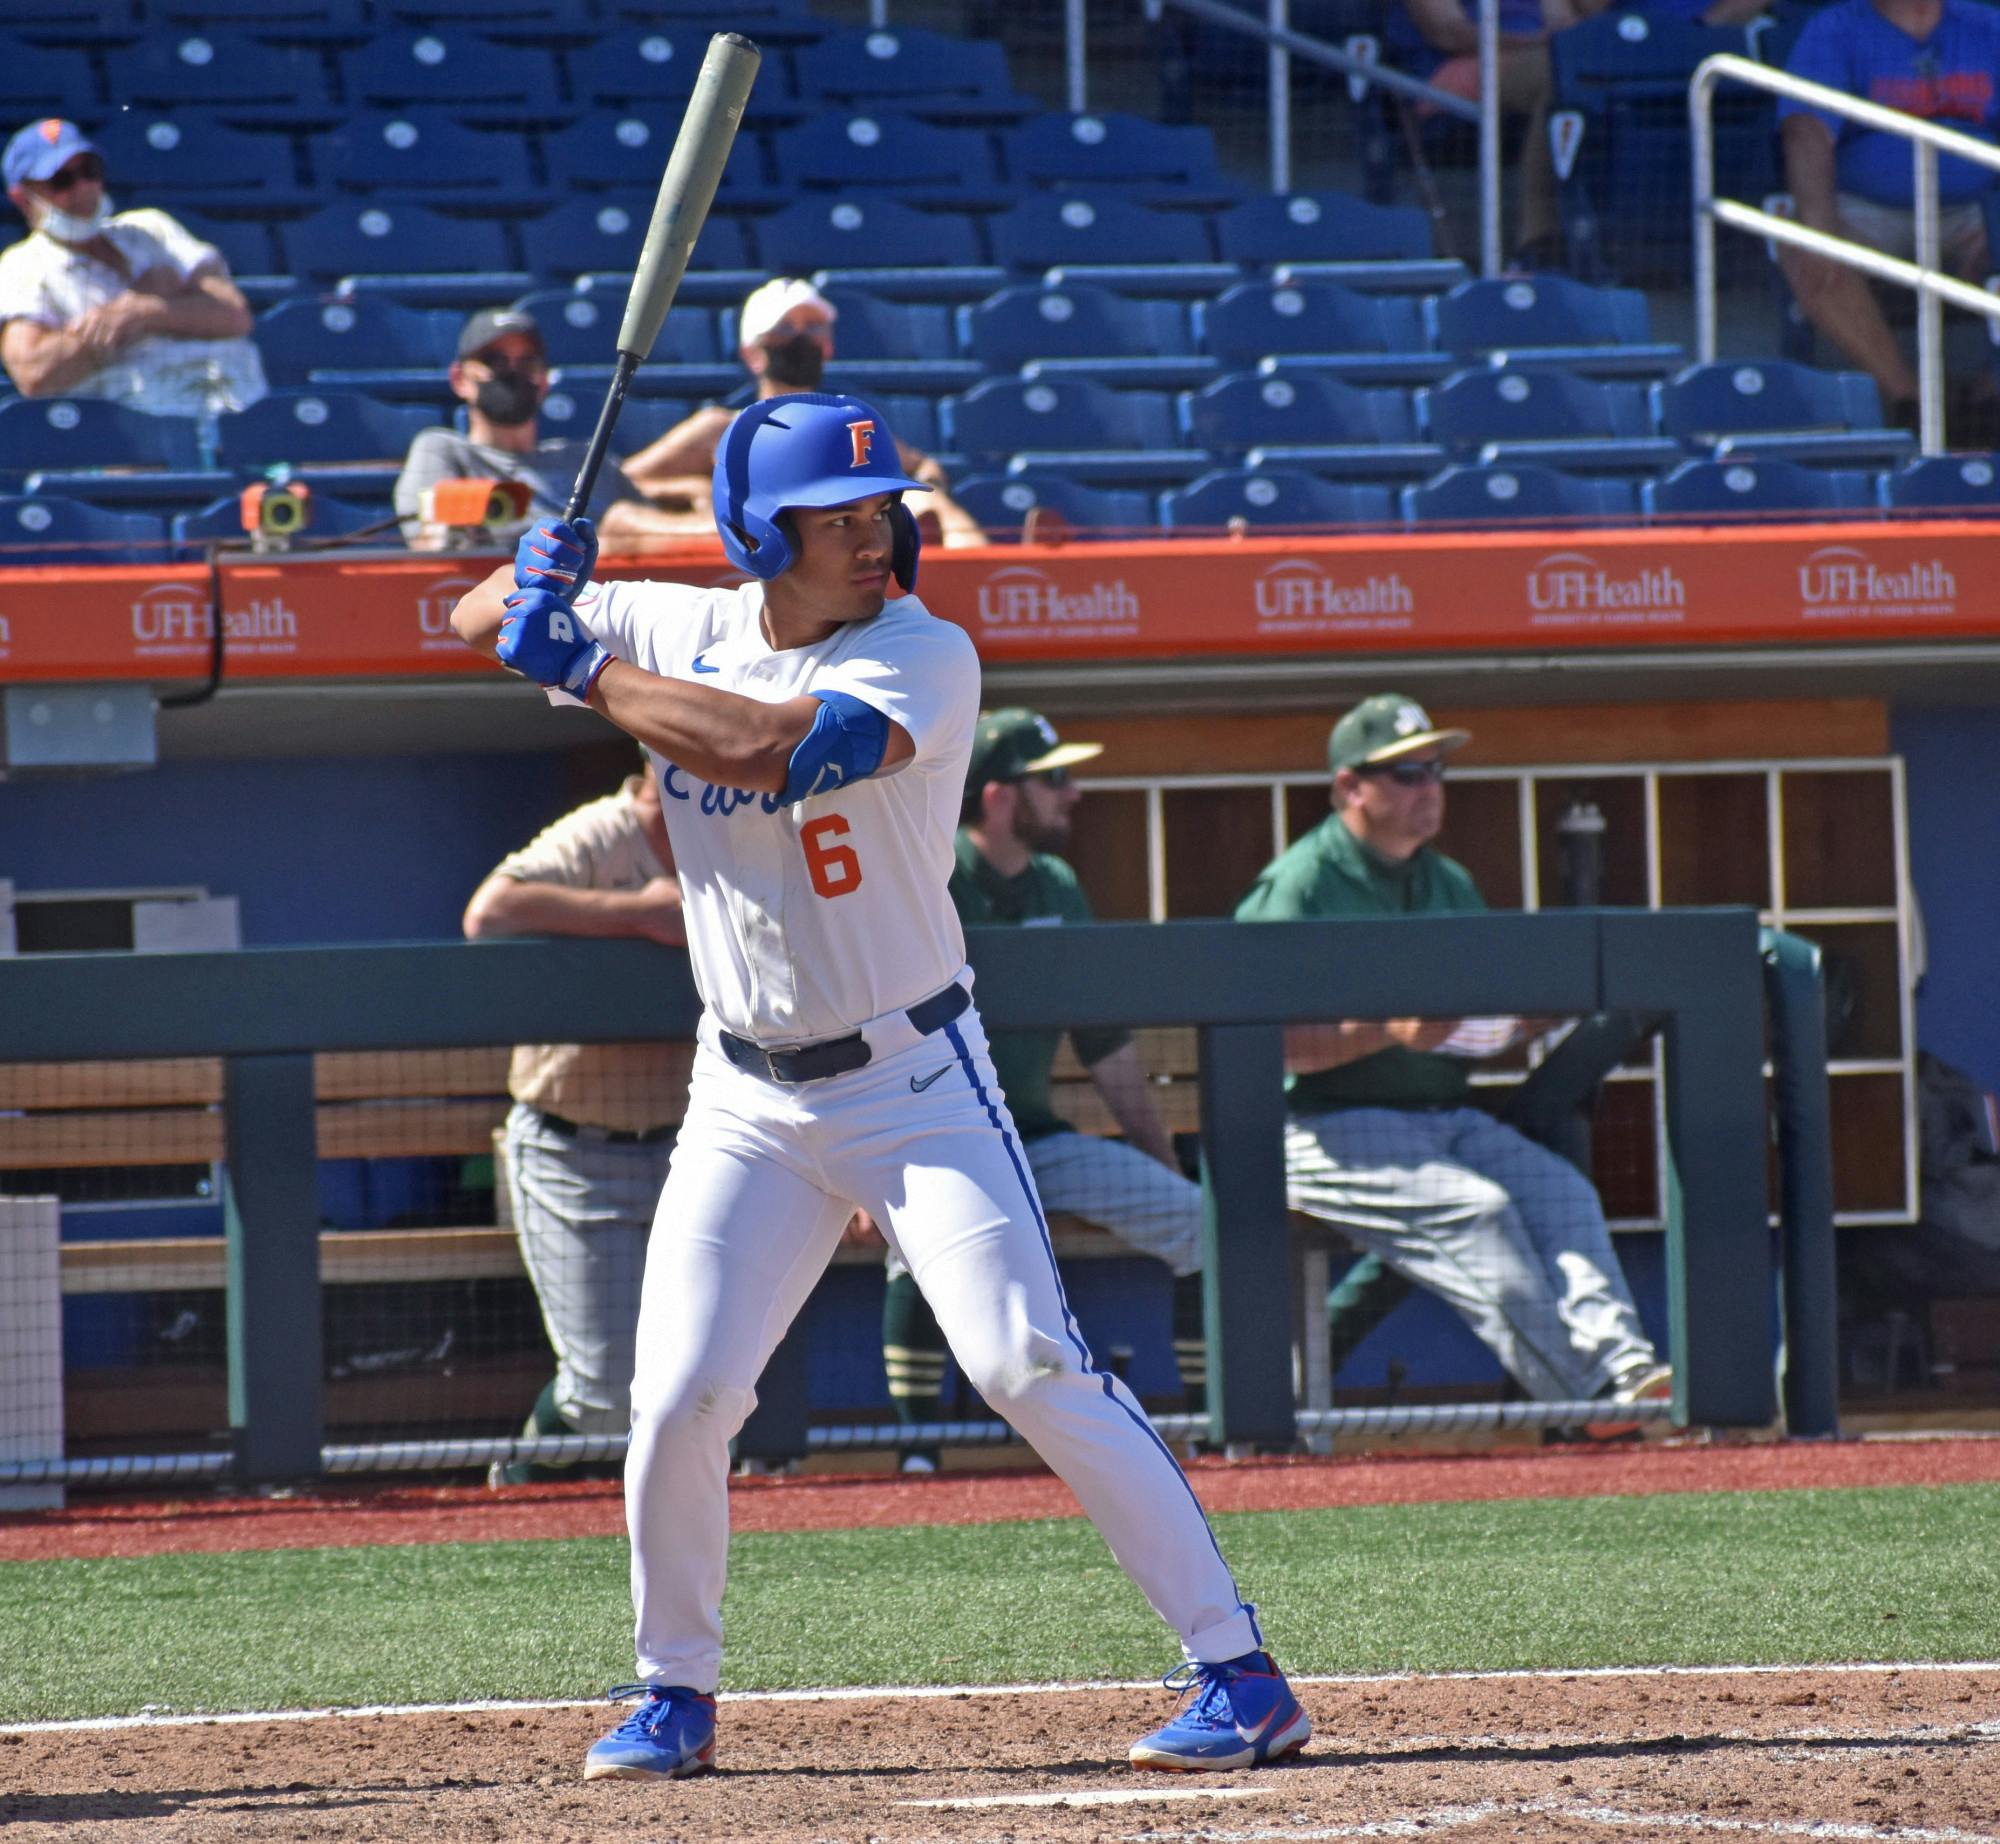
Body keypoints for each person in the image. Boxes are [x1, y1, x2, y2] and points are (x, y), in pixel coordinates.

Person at [447, 390, 1307, 1781]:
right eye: (833, 519)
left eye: (879, 510)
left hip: (917, 1077)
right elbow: (469, 619)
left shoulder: (928, 651)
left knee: (1026, 1359)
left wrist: (577, 660)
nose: (874, 536)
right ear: (755, 532)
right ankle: (674, 1691)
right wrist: (528, 584)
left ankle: (1238, 1671)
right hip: (746, 1099)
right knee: (678, 1398)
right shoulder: (681, 624)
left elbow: (764, 753)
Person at [1234, 692, 1672, 1423]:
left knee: (1563, 1191)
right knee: (1482, 1210)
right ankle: (1590, 1401)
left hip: (1442, 1117)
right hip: (1320, 1127)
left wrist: (1525, 1022)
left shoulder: (1449, 881)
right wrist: (1384, 1031)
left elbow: (1466, 1031)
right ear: (1350, 786)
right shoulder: (1301, 883)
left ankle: (1628, 1371)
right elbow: (1259, 1046)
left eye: (1436, 770)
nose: (1429, 788)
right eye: (1406, 772)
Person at [878, 708, 1209, 1471]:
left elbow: (1107, 1046)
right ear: (997, 796)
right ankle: (916, 1448)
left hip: (1038, 1136)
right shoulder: (934, 871)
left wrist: (1164, 1160)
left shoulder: (1057, 881)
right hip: (941, 1141)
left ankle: (1208, 1420)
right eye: (1053, 779)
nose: (1074, 793)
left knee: (1198, 1222)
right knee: (909, 1250)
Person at [461, 754, 692, 1486]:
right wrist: (641, 915)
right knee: (600, 1395)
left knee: (707, 1374)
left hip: (692, 1147)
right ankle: (523, 1479)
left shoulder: (739, 834)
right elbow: (489, 914)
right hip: (573, 1142)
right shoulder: (601, 833)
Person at [619, 276, 987, 547]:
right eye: (783, 328)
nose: (800, 338)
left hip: (838, 541)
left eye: (813, 328)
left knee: (927, 501)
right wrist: (691, 487)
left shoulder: (846, 423)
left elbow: (922, 467)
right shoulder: (720, 428)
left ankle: (974, 571)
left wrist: (920, 492)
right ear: (752, 351)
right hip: (743, 546)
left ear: (828, 346)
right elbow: (623, 481)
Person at [1778, 0, 2000, 434]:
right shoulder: (1835, 28)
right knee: (1800, 243)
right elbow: (1806, 133)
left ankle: (1989, 396)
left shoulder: (1986, 26)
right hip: (1868, 212)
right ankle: (1908, 400)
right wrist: (1821, 227)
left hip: (1975, 209)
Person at [0, 117, 265, 415]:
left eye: (90, 172)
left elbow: (234, 313)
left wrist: (144, 310)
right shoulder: (21, 266)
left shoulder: (151, 228)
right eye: (61, 180)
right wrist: (120, 319)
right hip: (146, 429)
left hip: (238, 400)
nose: (83, 188)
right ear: (22, 197)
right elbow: (33, 374)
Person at [395, 307, 711, 552]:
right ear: (459, 379)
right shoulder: (442, 448)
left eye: (527, 362)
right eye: (496, 362)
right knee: (618, 524)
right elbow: (430, 537)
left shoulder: (580, 456)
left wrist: (682, 489)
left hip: (616, 595)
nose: (513, 373)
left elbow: (652, 519)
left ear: (544, 380)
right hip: (520, 592)